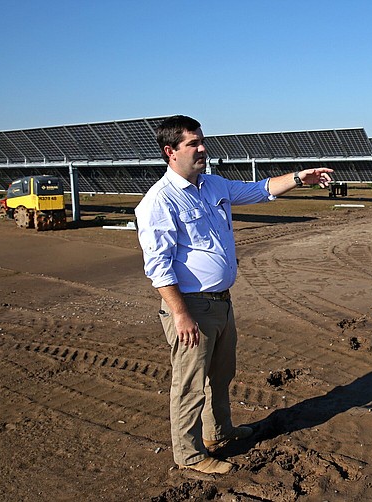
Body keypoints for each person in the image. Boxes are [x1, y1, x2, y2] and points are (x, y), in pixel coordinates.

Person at [135, 115, 333, 475]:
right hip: (190, 307)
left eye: (201, 141)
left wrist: (299, 177)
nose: (202, 148)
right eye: (192, 143)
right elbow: (158, 267)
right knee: (190, 385)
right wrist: (180, 314)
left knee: (221, 376)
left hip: (222, 302)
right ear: (170, 151)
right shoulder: (158, 202)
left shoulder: (213, 185)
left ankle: (219, 433)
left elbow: (260, 190)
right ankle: (190, 455)